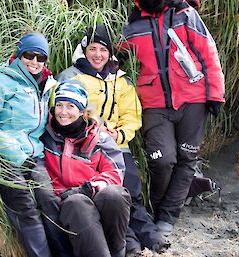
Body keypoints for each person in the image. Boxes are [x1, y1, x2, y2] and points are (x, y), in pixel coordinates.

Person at [56, 24, 166, 256]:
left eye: (103, 50)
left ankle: (152, 237)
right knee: (109, 193)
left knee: (132, 193)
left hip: (117, 145)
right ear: (84, 50)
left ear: (110, 53)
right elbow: (64, 111)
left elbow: (132, 115)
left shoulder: (121, 80)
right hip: (85, 145)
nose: (98, 55)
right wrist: (95, 130)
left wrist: (119, 134)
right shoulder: (71, 76)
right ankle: (131, 245)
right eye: (93, 48)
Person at [122, 0, 225, 236]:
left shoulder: (185, 13)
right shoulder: (134, 22)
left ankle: (167, 216)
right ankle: (158, 208)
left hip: (193, 97)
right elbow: (115, 52)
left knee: (186, 158)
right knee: (162, 160)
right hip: (154, 102)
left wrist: (215, 95)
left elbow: (208, 52)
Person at [0, 32, 72, 257]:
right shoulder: (0, 81)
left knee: (49, 200)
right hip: (3, 156)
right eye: (29, 55)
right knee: (26, 206)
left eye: (41, 58)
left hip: (34, 156)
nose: (35, 62)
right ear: (19, 55)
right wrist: (17, 155)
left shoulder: (47, 86)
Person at [42, 80, 131, 257]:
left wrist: (88, 188)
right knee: (77, 203)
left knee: (114, 195)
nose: (63, 112)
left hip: (94, 198)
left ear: (82, 111)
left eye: (70, 106)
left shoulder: (99, 138)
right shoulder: (45, 134)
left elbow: (115, 173)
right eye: (59, 105)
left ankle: (117, 252)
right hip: (65, 205)